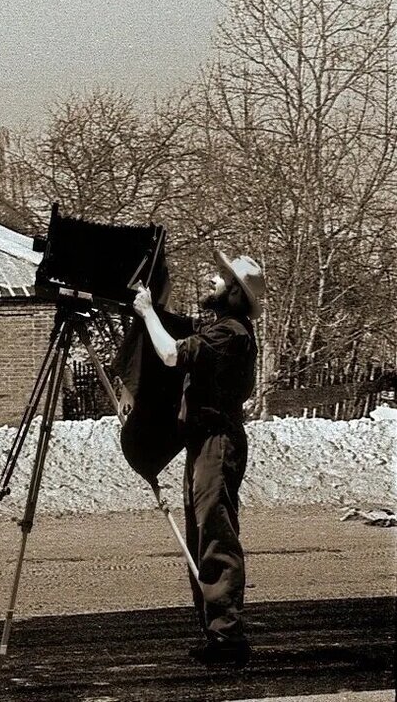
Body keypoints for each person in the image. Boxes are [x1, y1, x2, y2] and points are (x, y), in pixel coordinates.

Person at [132, 252, 265, 666]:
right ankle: (218, 633)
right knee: (204, 535)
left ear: (238, 295)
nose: (212, 281)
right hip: (206, 441)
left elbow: (171, 354)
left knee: (215, 536)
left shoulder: (231, 333)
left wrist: (147, 311)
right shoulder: (224, 329)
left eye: (221, 278)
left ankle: (227, 637)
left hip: (217, 442)